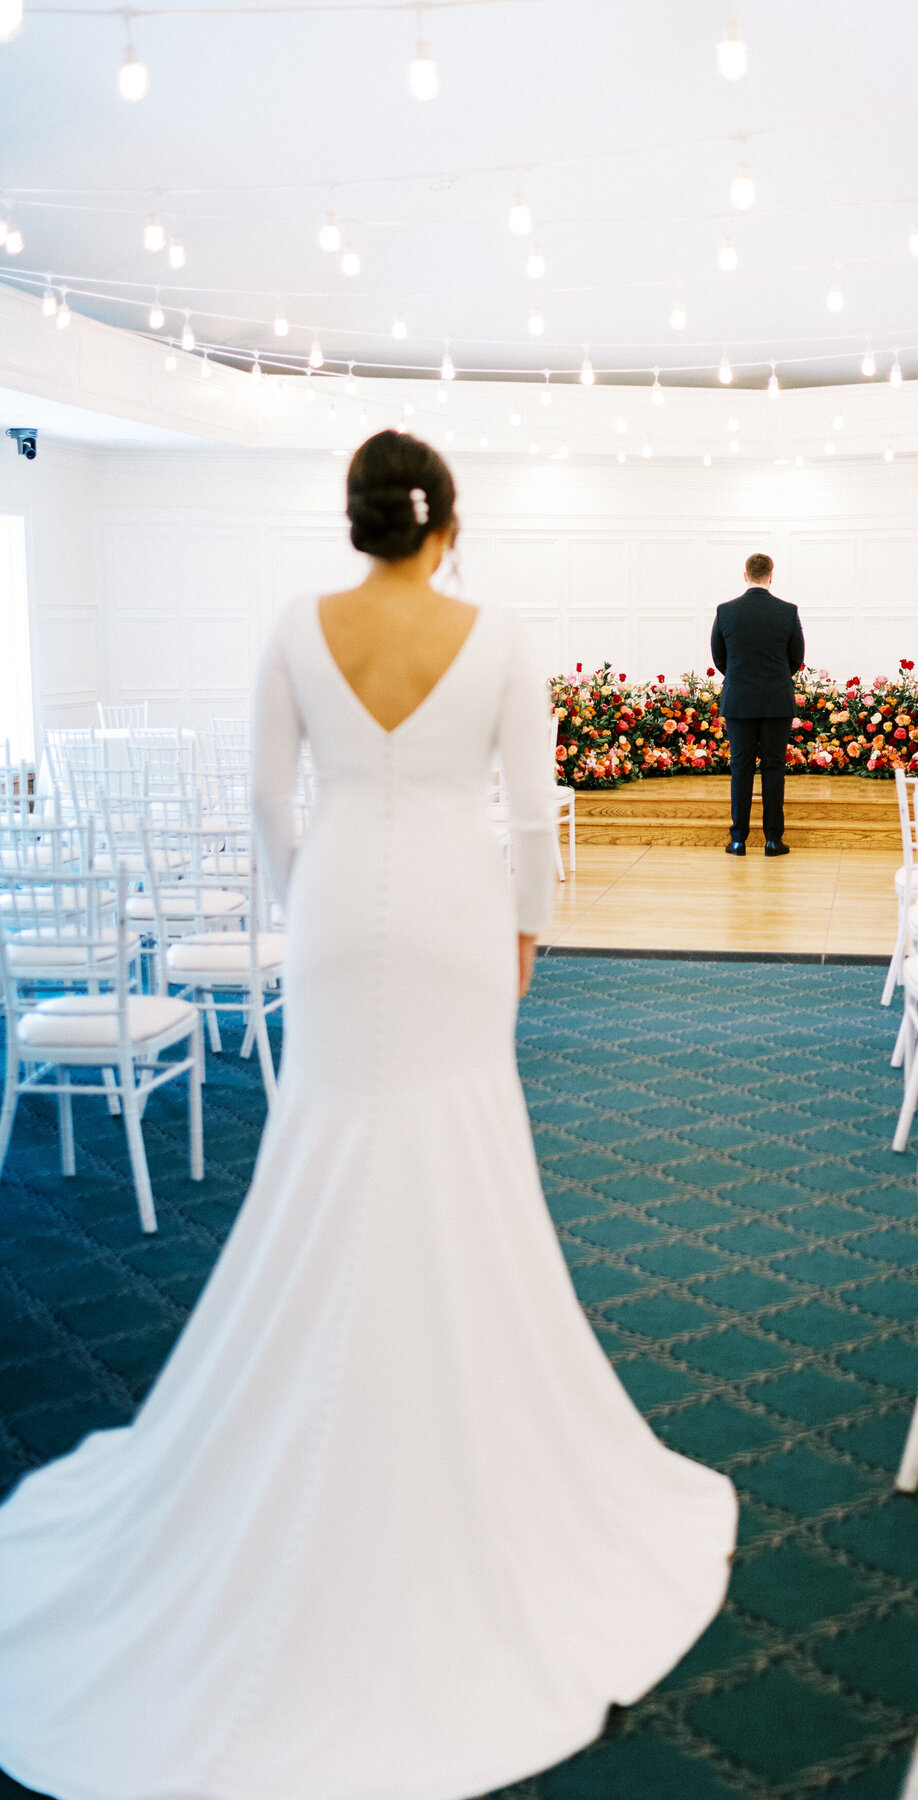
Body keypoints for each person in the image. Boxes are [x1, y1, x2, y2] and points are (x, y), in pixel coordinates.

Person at [0, 432, 737, 1800]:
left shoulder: (297, 625)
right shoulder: (500, 632)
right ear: (446, 521)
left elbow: (272, 803)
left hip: (336, 913)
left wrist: (307, 900)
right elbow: (530, 820)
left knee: (330, 1154)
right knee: (460, 1151)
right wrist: (526, 934)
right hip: (457, 920)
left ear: (358, 522)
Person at [711, 553, 805, 856]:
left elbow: (719, 657)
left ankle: (738, 840)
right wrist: (777, 677)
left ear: (745, 575)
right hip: (777, 700)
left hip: (739, 700)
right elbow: (796, 658)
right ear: (771, 575)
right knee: (774, 768)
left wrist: (740, 676)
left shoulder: (725, 611)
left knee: (740, 768)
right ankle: (773, 840)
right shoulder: (787, 611)